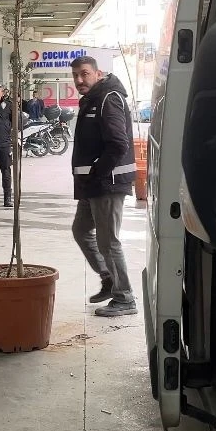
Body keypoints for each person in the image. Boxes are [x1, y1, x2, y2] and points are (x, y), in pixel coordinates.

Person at [69, 56, 139, 317]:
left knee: (108, 241)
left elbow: (118, 144)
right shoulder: (93, 99)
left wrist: (98, 171)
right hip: (93, 184)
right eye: (75, 75)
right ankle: (109, 278)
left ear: (98, 73)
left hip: (108, 183)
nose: (79, 80)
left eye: (84, 73)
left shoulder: (108, 98)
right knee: (81, 230)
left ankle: (125, 297)